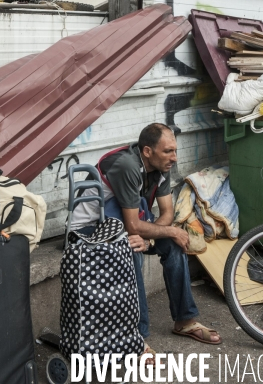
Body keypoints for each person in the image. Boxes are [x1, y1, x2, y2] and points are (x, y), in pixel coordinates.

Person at [71, 122, 222, 359]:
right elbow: (133, 226)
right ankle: (136, 336)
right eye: (167, 151)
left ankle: (185, 320)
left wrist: (151, 238)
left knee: (173, 245)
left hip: (121, 223)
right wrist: (165, 232)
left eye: (175, 150)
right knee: (133, 249)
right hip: (91, 229)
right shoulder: (128, 166)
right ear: (147, 151)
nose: (174, 157)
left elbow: (167, 214)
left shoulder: (163, 164)